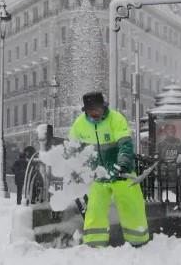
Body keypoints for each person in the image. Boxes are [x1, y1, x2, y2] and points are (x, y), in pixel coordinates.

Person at [69, 91, 150, 247]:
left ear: (103, 107)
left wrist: (122, 164)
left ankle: (138, 242)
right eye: (91, 110)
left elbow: (125, 144)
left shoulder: (116, 119)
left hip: (122, 174)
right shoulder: (79, 124)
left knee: (132, 208)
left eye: (97, 109)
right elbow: (73, 149)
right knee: (95, 210)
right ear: (85, 110)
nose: (95, 113)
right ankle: (94, 244)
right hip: (98, 175)